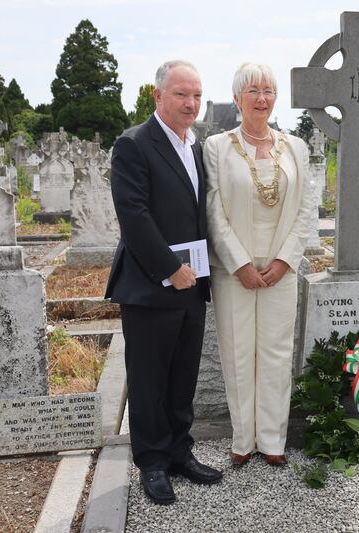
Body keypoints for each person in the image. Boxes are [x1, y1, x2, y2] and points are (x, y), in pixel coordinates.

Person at [105, 60, 222, 505]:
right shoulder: (134, 144)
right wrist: (170, 267)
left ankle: (179, 452)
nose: (191, 103)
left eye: (196, 94)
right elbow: (134, 214)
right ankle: (152, 462)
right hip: (152, 284)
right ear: (158, 96)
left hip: (193, 283)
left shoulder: (196, 147)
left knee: (182, 376)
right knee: (150, 379)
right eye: (181, 94)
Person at [204, 63, 314, 467]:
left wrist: (286, 261)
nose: (262, 98)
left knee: (275, 352)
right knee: (238, 352)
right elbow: (213, 209)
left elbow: (304, 209)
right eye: (253, 91)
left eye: (268, 90)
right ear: (237, 98)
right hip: (235, 271)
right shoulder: (216, 147)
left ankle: (273, 440)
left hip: (280, 268)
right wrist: (239, 264)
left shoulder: (296, 147)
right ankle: (242, 438)